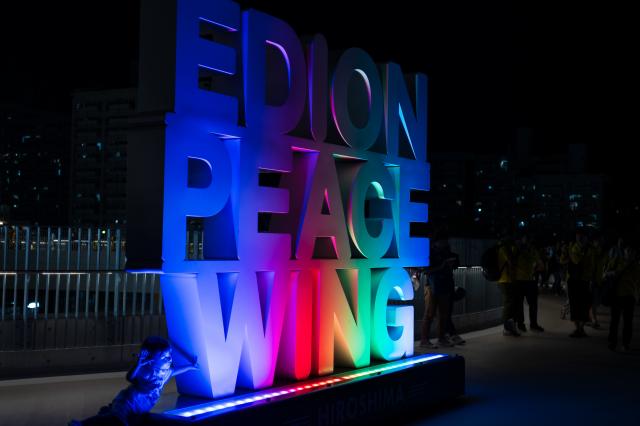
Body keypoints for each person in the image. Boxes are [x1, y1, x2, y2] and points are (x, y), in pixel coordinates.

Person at [71, 336, 199, 426]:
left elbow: (176, 371)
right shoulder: (146, 372)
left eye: (169, 355)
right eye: (165, 357)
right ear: (151, 361)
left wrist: (189, 367)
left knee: (119, 420)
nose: (169, 359)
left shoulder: (165, 373)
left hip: (141, 405)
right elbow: (130, 377)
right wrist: (139, 364)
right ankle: (83, 424)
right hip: (129, 402)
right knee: (115, 420)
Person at [420, 233, 458, 348]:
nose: (445, 243)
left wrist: (452, 264)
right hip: (432, 285)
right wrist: (443, 265)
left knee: (443, 314)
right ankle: (424, 340)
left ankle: (441, 339)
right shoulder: (429, 252)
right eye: (443, 241)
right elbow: (425, 270)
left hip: (444, 284)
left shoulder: (446, 251)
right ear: (436, 242)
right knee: (430, 313)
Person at [608, 246, 640, 351]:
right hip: (617, 295)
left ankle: (625, 343)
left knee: (627, 322)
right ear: (625, 252)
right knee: (615, 321)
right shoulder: (617, 262)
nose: (629, 254)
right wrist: (614, 273)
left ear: (634, 254)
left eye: (632, 252)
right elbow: (607, 272)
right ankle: (613, 342)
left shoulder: (636, 266)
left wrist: (637, 296)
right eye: (628, 251)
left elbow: (638, 282)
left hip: (629, 296)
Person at [513, 233, 545, 332]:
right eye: (525, 238)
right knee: (522, 304)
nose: (527, 241)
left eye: (528, 239)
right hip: (521, 280)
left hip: (528, 280)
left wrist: (535, 269)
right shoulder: (517, 250)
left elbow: (541, 265)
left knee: (530, 304)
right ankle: (523, 324)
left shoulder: (531, 250)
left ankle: (530, 324)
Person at [565, 229, 594, 338]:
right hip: (574, 280)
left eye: (582, 237)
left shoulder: (590, 249)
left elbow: (592, 264)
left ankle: (581, 329)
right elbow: (574, 260)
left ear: (586, 238)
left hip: (585, 280)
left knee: (585, 305)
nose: (580, 239)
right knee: (574, 305)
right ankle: (578, 329)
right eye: (578, 236)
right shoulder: (572, 247)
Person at [497, 234, 520, 336]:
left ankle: (510, 327)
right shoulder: (505, 248)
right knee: (509, 304)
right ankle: (507, 328)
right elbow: (512, 261)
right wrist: (516, 251)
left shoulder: (505, 247)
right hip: (505, 280)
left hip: (508, 279)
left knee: (511, 303)